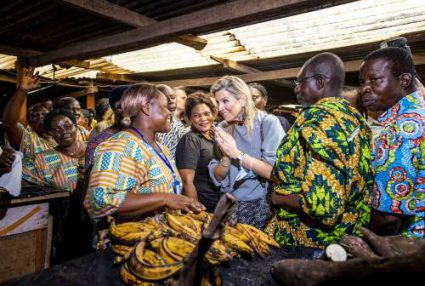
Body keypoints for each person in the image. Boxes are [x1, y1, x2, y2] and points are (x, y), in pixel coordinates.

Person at [265, 52, 373, 248]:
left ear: (321, 81)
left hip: (308, 242)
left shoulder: (320, 121)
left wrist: (278, 198)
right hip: (345, 237)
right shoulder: (352, 118)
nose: (296, 89)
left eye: (300, 82)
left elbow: (325, 208)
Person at [84, 83, 205, 249]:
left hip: (160, 242)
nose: (170, 112)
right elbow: (101, 200)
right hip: (131, 248)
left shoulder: (159, 146)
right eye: (164, 107)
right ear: (147, 108)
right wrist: (165, 198)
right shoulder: (120, 147)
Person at [360, 47, 425, 238]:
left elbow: (388, 220)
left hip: (408, 248)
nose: (364, 88)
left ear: (404, 81)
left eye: (374, 80)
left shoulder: (401, 130)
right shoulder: (419, 116)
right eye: (362, 82)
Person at [209, 76, 285, 229]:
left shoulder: (268, 123)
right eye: (217, 102)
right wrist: (226, 156)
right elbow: (218, 175)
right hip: (227, 204)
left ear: (243, 100)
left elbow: (274, 173)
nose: (220, 108)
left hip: (259, 207)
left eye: (225, 101)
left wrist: (237, 154)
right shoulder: (223, 126)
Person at [1, 67, 55, 183]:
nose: (41, 118)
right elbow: (9, 123)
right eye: (35, 116)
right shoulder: (29, 140)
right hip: (35, 193)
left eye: (44, 115)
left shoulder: (61, 139)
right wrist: (22, 90)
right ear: (29, 123)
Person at [176, 92, 220, 212]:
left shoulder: (216, 137)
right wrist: (197, 211)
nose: (203, 119)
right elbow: (186, 181)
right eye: (196, 115)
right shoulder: (190, 140)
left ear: (214, 114)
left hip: (218, 204)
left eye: (207, 114)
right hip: (204, 206)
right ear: (190, 118)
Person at [156, 84, 188, 157]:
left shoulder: (177, 123)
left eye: (172, 97)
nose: (171, 101)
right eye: (166, 98)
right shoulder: (153, 125)